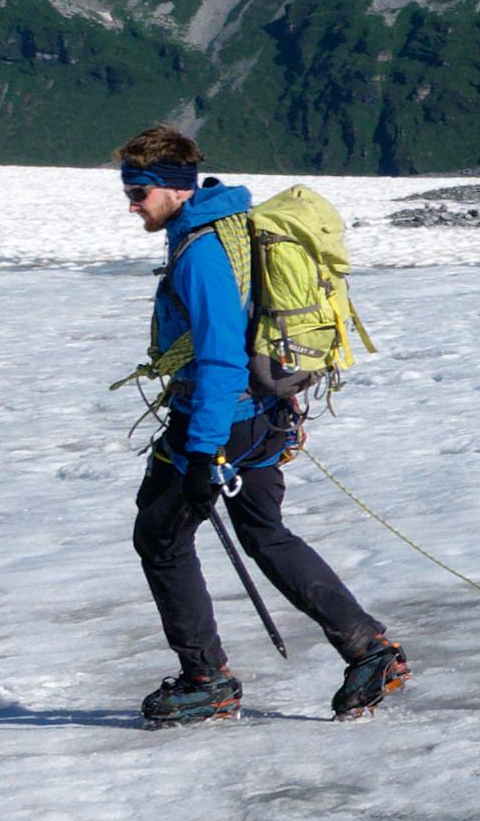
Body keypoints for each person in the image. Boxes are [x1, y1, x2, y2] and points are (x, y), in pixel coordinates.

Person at [117, 125, 410, 726]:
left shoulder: (200, 252)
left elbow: (222, 354)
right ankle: (369, 650)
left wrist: (202, 452)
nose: (131, 203)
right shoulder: (224, 229)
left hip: (222, 420)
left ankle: (207, 679)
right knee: (265, 533)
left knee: (161, 538)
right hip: (264, 416)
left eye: (139, 191)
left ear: (172, 189)